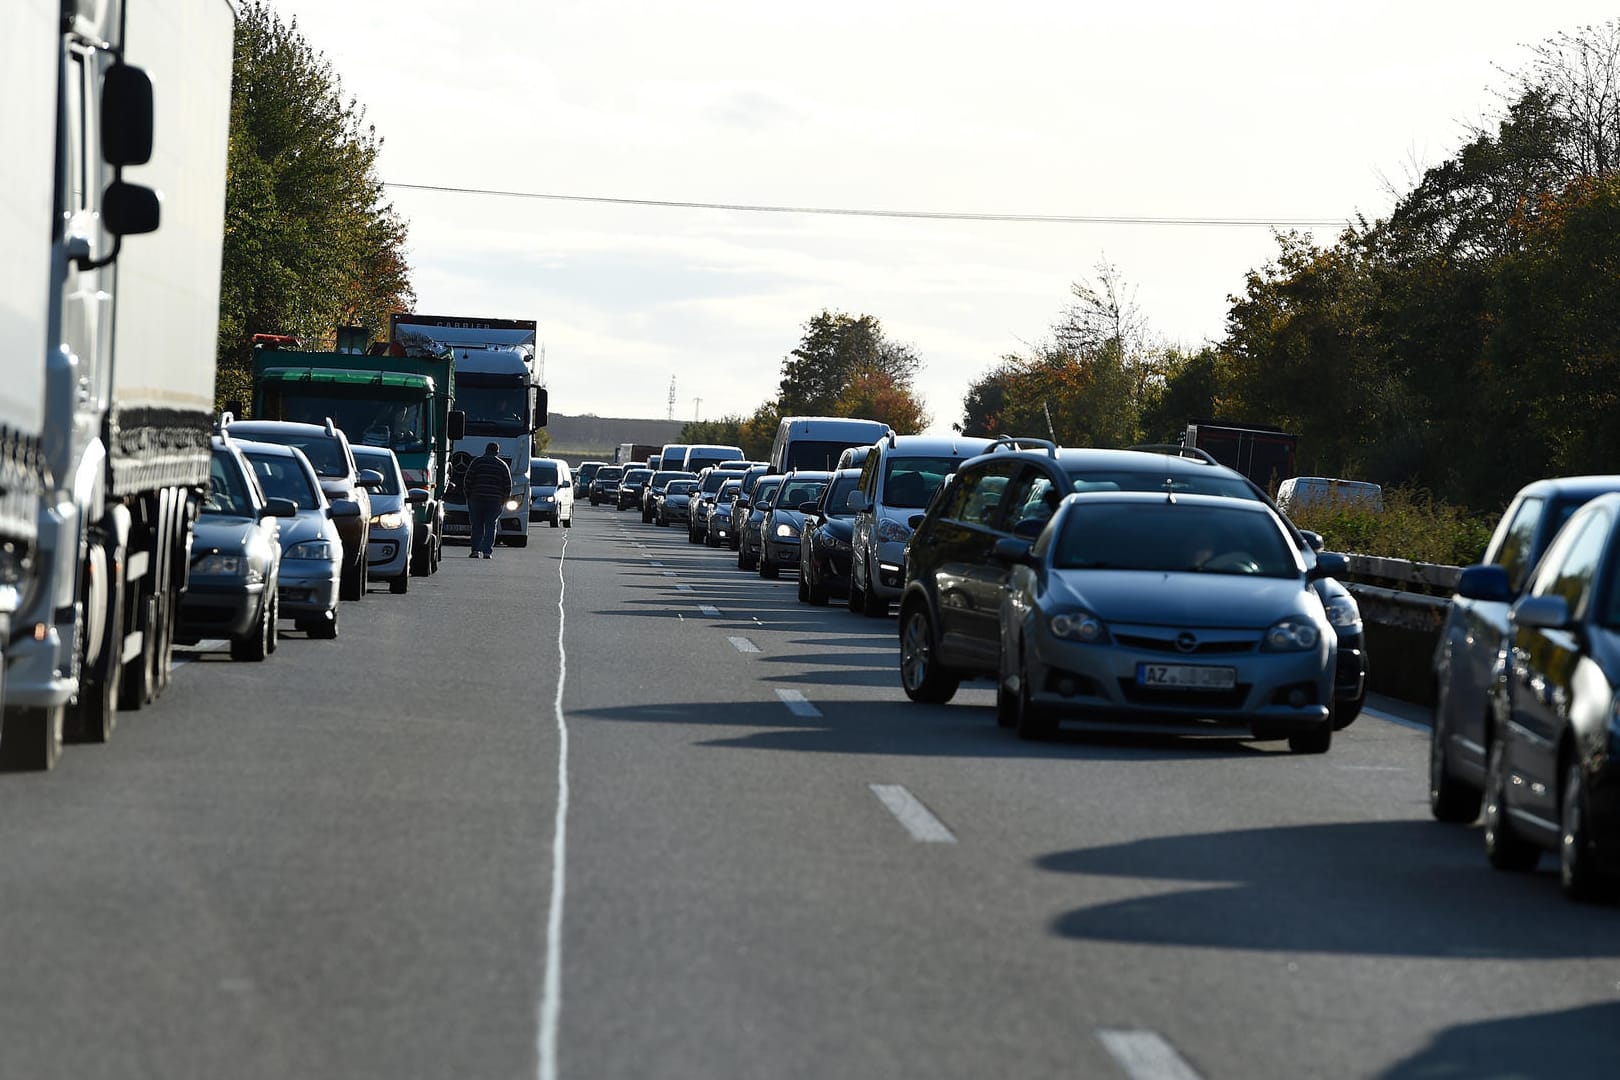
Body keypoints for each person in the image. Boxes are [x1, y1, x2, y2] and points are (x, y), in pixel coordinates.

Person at [462, 442, 512, 558]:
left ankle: (475, 550)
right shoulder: (502, 465)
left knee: (476, 525)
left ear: (486, 450)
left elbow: (468, 479)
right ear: (497, 452)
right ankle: (487, 552)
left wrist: (468, 494)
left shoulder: (477, 462)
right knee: (491, 526)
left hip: (477, 498)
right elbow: (507, 485)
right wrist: (504, 500)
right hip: (495, 501)